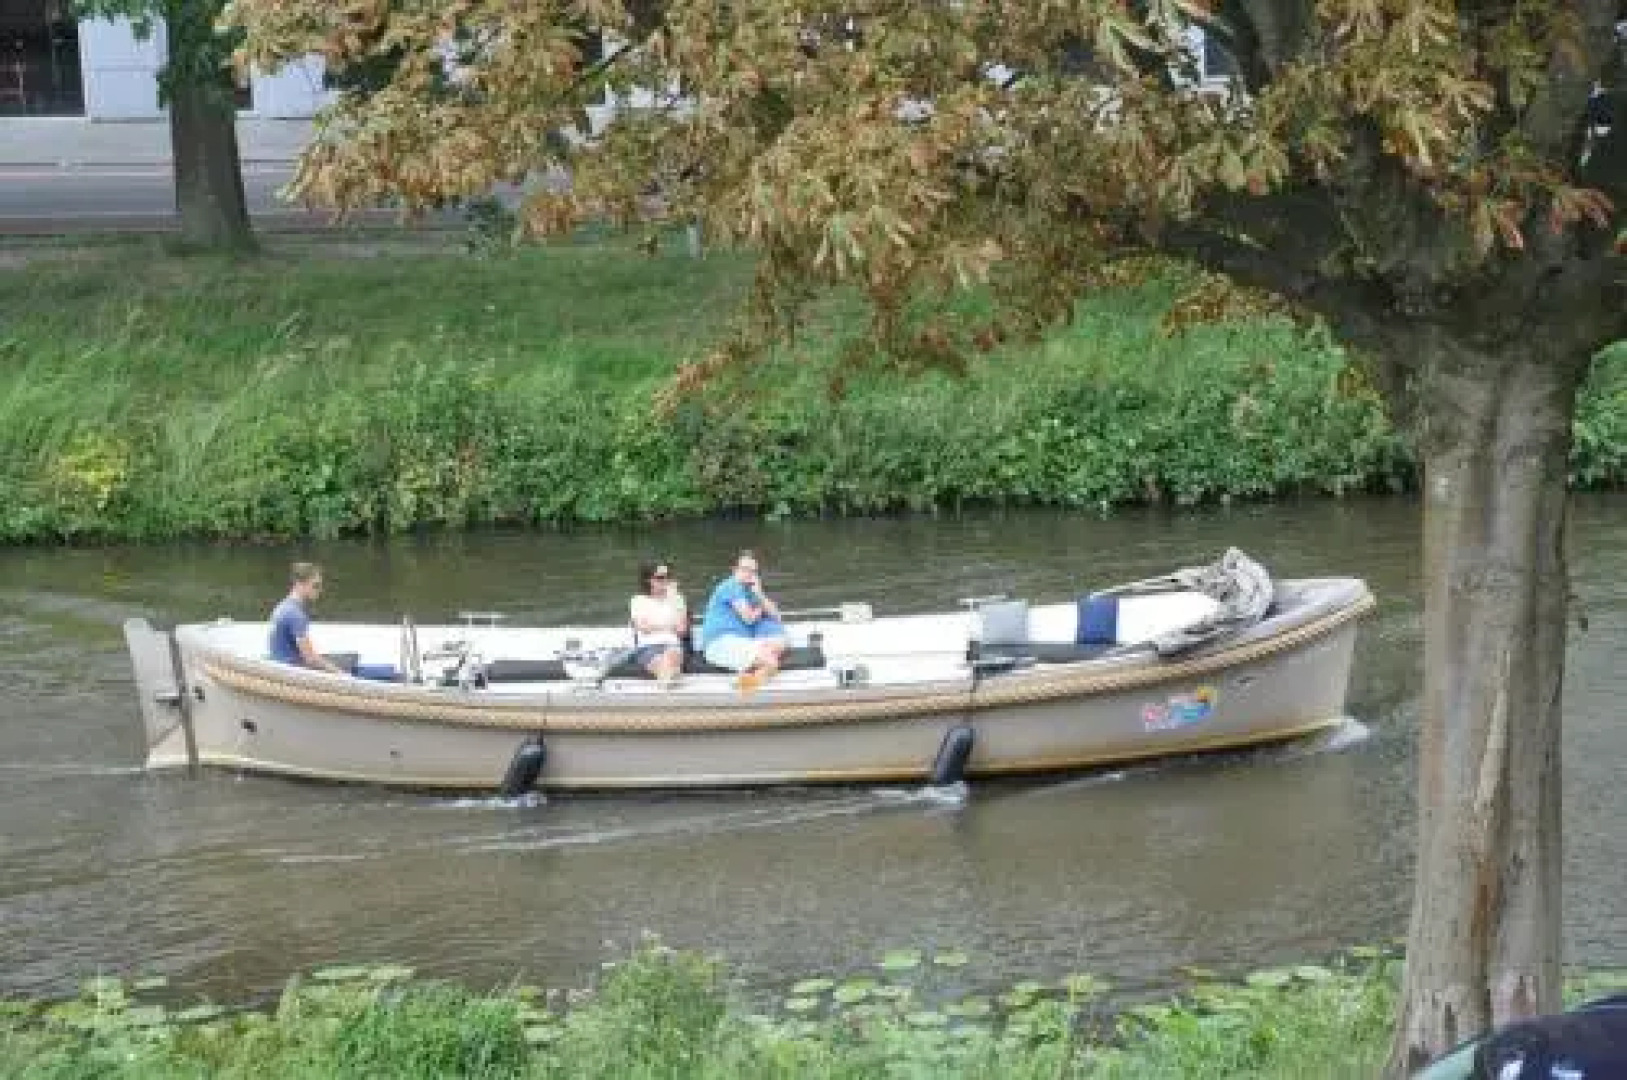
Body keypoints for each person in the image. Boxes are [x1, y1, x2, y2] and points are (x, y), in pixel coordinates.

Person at [700, 549, 788, 694]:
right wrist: (760, 609)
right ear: (735, 570)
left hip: (738, 642)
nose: (750, 574)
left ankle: (744, 684)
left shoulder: (750, 592)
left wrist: (759, 594)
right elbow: (749, 617)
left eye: (753, 571)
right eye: (745, 569)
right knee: (771, 662)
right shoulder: (731, 586)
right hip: (720, 643)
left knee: (778, 646)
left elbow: (777, 617)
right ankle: (742, 690)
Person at [268, 562, 346, 674]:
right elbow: (311, 659)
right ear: (299, 584)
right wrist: (340, 673)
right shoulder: (295, 615)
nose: (320, 590)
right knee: (347, 664)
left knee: (342, 659)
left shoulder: (284, 605)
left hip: (281, 664)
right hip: (291, 671)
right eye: (316, 586)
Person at [629, 560, 687, 688]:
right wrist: (668, 626)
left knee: (670, 657)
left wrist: (673, 599)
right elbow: (643, 628)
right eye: (660, 578)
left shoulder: (677, 599)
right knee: (668, 667)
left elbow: (681, 629)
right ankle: (669, 683)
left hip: (672, 645)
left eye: (668, 577)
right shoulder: (638, 600)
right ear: (649, 580)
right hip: (648, 647)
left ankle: (665, 690)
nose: (665, 581)